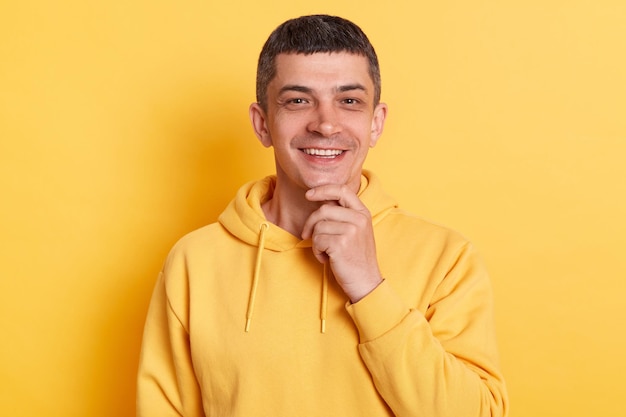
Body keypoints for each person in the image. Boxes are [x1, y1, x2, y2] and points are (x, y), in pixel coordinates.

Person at [136, 14, 508, 417]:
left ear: (375, 123)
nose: (326, 124)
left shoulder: (447, 258)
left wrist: (369, 288)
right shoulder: (193, 262)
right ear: (263, 125)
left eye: (349, 101)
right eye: (298, 100)